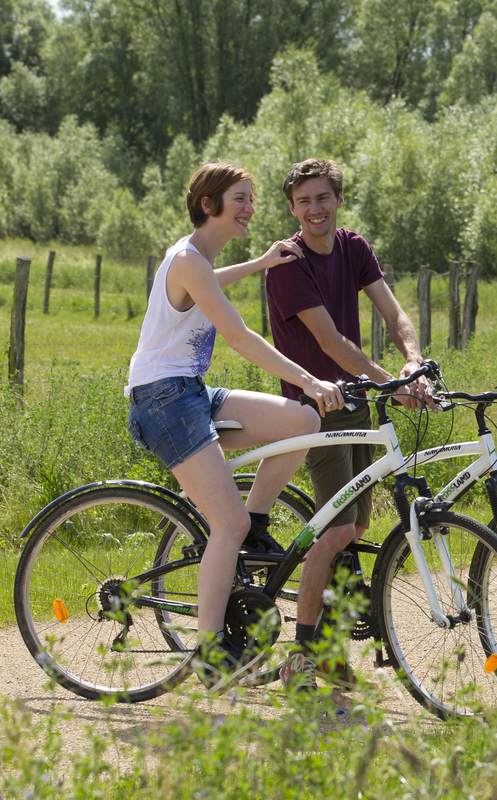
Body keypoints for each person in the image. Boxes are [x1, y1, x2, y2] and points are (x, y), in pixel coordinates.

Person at [125, 161, 344, 687]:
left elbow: (209, 283)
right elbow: (241, 336)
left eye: (251, 198)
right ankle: (209, 653)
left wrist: (261, 262)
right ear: (210, 204)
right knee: (227, 523)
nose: (251, 207)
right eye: (241, 199)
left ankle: (259, 522)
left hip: (191, 394)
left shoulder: (196, 259)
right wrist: (309, 377)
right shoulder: (186, 258)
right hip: (162, 401)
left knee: (300, 420)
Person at [265, 157, 430, 692]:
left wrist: (413, 362)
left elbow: (394, 313)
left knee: (356, 529)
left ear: (337, 200)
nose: (314, 209)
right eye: (303, 201)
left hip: (357, 401)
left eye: (323, 198)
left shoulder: (354, 247)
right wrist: (394, 384)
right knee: (336, 529)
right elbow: (331, 343)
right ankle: (302, 655)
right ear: (293, 208)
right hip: (316, 407)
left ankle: (333, 648)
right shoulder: (288, 265)